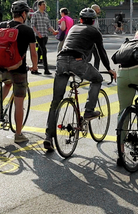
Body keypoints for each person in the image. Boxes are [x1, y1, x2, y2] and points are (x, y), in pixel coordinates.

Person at [43, 8, 117, 151]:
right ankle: (89, 110)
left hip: (61, 61)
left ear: (80, 20)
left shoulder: (73, 28)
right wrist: (109, 69)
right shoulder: (95, 32)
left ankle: (48, 137)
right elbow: (101, 53)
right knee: (97, 79)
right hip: (77, 62)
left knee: (55, 101)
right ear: (94, 21)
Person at [0, 1, 38, 143]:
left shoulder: (2, 26)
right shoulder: (27, 30)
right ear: (23, 14)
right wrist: (35, 67)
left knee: (7, 84)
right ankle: (18, 135)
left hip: (2, 66)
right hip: (18, 69)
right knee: (19, 103)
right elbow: (33, 52)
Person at [31, 0, 58, 75]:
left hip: (45, 35)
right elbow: (33, 25)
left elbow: (48, 25)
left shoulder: (46, 14)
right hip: (39, 36)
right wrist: (37, 33)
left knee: (39, 51)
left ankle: (34, 68)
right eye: (43, 5)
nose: (44, 6)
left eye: (45, 5)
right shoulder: (35, 14)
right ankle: (46, 69)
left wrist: (53, 31)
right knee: (44, 51)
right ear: (39, 6)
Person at [91, 4, 102, 69]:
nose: (99, 10)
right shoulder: (93, 17)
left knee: (95, 56)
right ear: (95, 10)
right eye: (98, 9)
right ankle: (95, 71)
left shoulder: (95, 17)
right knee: (97, 56)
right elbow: (94, 27)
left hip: (92, 39)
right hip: (92, 39)